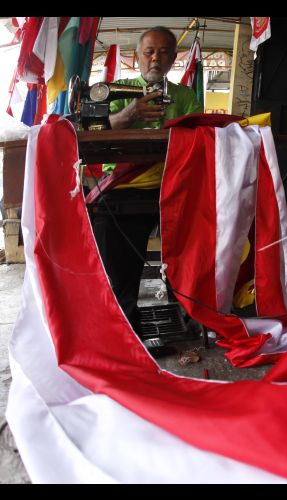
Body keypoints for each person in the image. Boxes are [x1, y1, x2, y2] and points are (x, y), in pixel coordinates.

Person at [90, 26, 203, 335]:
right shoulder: (115, 90)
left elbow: (198, 136)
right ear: (136, 57)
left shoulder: (184, 96)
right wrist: (127, 116)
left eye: (164, 52)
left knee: (199, 241)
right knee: (117, 255)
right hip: (126, 186)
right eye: (149, 51)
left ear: (173, 58)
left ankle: (190, 310)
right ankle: (124, 321)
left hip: (173, 186)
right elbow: (92, 129)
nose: (156, 58)